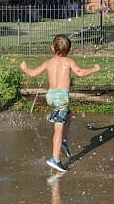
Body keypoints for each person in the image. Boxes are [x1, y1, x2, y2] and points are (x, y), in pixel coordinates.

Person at [20, 34, 100, 172]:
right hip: (61, 98)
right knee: (58, 129)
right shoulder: (69, 62)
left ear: (52, 48)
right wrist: (94, 69)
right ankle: (55, 159)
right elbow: (80, 72)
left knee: (68, 115)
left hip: (50, 96)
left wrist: (24, 67)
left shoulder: (48, 62)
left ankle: (63, 141)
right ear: (69, 50)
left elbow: (32, 73)